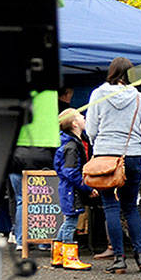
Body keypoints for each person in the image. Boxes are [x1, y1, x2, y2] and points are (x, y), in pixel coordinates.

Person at [86, 57, 141, 273]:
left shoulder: (98, 95)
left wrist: (98, 145)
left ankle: (119, 259)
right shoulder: (140, 99)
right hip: (132, 156)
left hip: (106, 156)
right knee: (131, 207)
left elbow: (90, 129)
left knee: (110, 206)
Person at [52, 108, 94, 271]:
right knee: (71, 222)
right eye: (81, 116)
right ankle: (69, 258)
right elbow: (70, 171)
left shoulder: (68, 142)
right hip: (72, 190)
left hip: (67, 188)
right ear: (75, 123)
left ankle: (58, 256)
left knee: (67, 221)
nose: (84, 117)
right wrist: (86, 186)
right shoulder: (72, 145)